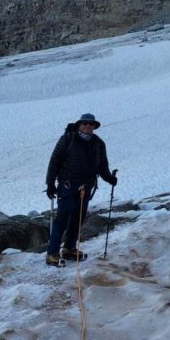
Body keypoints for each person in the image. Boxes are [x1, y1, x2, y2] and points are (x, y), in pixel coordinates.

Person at [45, 113, 118, 266]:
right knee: (62, 219)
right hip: (67, 185)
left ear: (94, 127)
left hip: (86, 187)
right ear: (79, 125)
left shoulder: (99, 144)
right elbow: (54, 161)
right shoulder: (68, 138)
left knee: (78, 218)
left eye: (91, 124)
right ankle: (52, 253)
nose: (87, 126)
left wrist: (110, 178)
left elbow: (102, 167)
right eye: (84, 123)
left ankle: (69, 248)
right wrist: (50, 184)